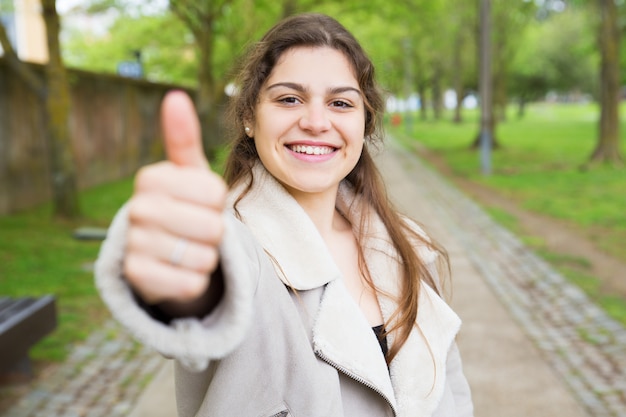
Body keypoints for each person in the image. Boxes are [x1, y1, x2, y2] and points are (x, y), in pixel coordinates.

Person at [95, 13, 473, 417]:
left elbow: (451, 390)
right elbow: (209, 288)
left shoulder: (403, 243)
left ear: (365, 122)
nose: (314, 122)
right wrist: (181, 267)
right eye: (289, 98)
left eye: (340, 103)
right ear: (249, 118)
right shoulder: (236, 245)